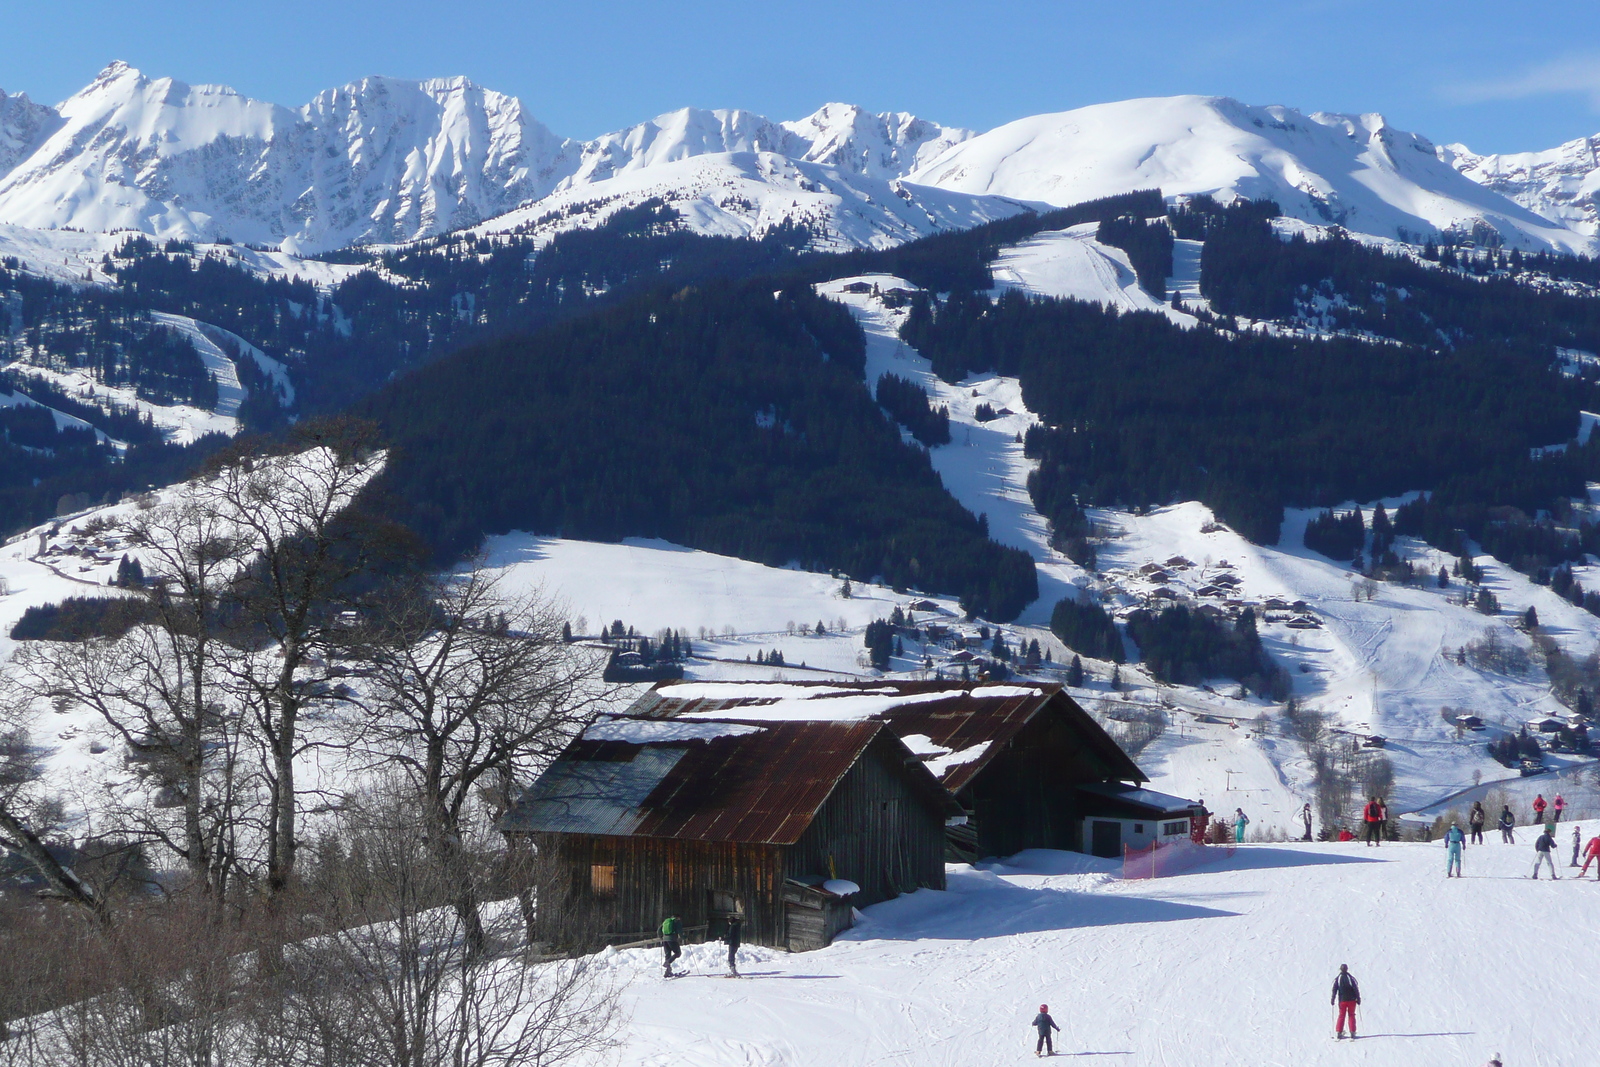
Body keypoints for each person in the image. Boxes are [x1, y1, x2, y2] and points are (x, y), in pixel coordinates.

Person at [1331, 964, 1361, 1039]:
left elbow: (1334, 989)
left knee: (1341, 1015)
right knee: (1351, 1015)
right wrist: (1358, 998)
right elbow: (1355, 988)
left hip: (1342, 1001)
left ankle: (1339, 1032)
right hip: (1352, 1000)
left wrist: (1333, 999)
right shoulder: (1350, 978)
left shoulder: (1338, 979)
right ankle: (1352, 1032)